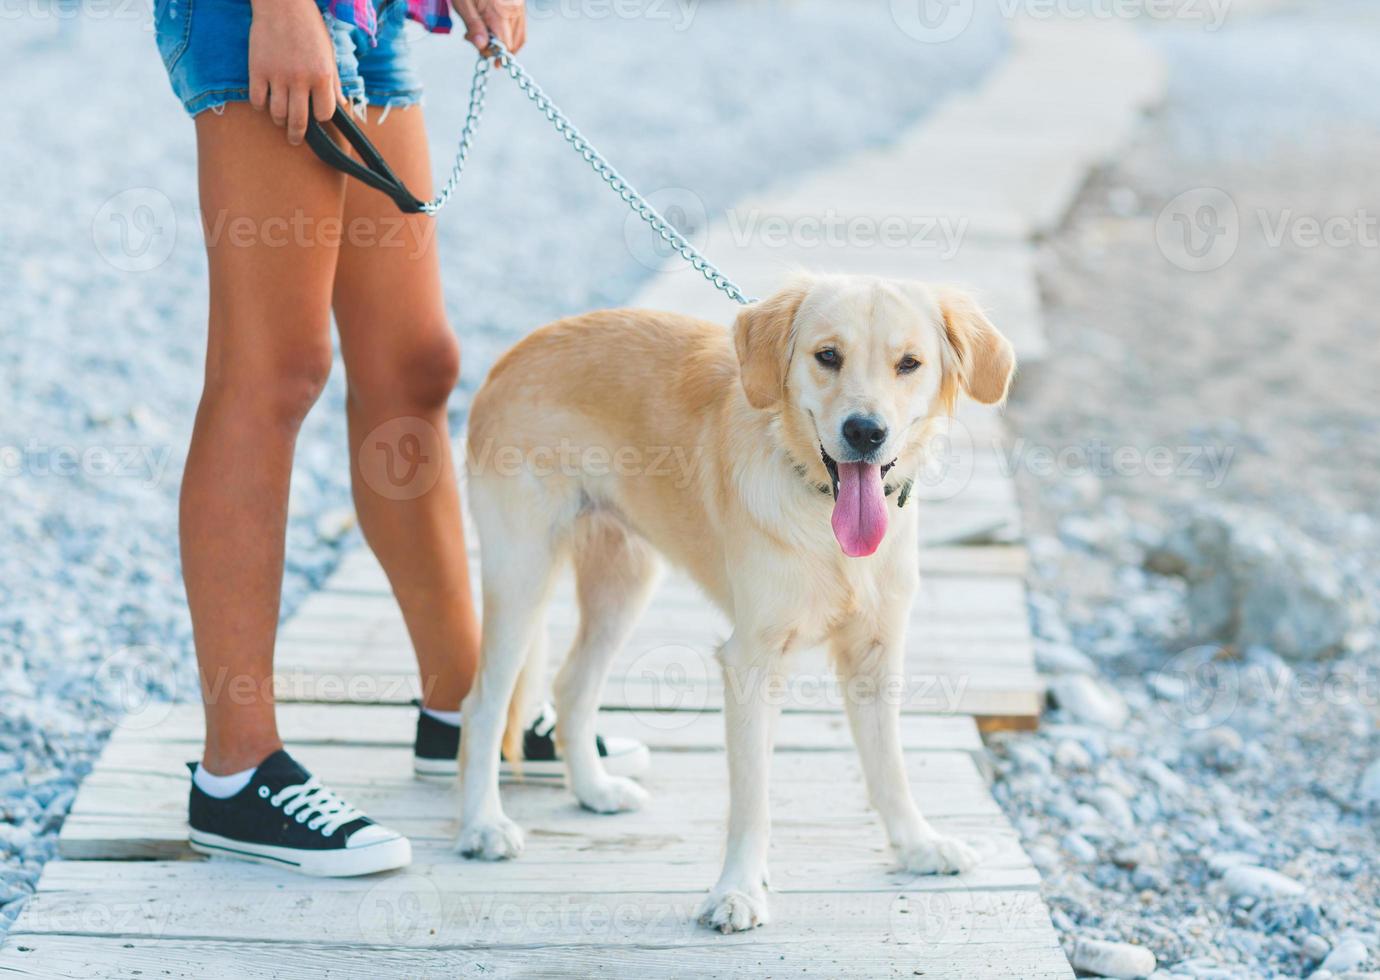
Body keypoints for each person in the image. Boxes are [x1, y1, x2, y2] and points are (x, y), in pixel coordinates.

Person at [154, 0, 647, 876]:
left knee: (412, 369)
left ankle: (463, 707)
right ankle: (236, 771)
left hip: (368, 17)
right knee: (272, 370)